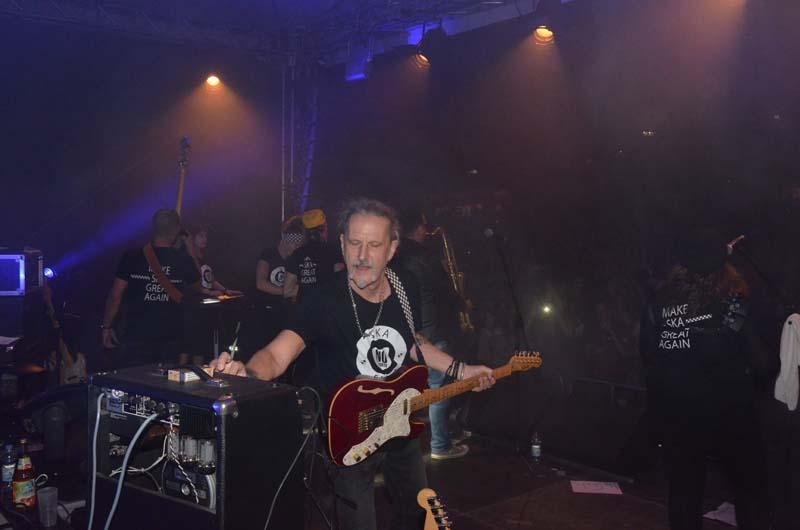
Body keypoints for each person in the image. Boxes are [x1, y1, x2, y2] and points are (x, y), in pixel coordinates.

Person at [213, 198, 495, 530]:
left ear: (391, 249)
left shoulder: (405, 284)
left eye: (374, 245)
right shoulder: (322, 299)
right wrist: (245, 373)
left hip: (399, 422)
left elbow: (413, 342)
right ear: (342, 244)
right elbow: (277, 355)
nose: (362, 256)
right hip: (349, 434)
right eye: (355, 243)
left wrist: (461, 370)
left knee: (418, 516)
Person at [639, 229, 771, 530]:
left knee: (684, 494)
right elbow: (763, 364)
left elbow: (648, 358)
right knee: (750, 492)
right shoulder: (735, 304)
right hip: (731, 413)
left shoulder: (657, 303)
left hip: (680, 415)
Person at [394, 208, 468, 460]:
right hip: (431, 331)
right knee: (440, 389)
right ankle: (440, 445)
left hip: (404, 331)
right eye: (424, 226)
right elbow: (445, 293)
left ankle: (397, 447)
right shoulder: (425, 256)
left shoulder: (394, 254)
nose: (427, 231)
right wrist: (463, 302)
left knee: (402, 387)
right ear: (418, 228)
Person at [102, 209, 200, 368]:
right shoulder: (182, 259)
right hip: (169, 337)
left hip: (135, 335)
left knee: (133, 380)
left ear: (153, 228)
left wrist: (107, 326)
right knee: (164, 382)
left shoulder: (132, 256)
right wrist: (190, 250)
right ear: (176, 231)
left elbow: (115, 296)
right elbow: (199, 284)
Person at [239, 216, 305, 363]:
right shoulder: (269, 254)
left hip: (283, 315)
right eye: (294, 243)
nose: (296, 247)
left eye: (299, 243)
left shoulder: (296, 260)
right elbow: (260, 283)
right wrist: (286, 291)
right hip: (261, 314)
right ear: (285, 239)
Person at [283, 208, 344, 302]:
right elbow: (340, 284)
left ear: (305, 231)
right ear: (324, 228)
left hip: (304, 308)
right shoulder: (333, 251)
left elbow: (287, 291)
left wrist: (306, 288)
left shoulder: (297, 254)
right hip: (327, 307)